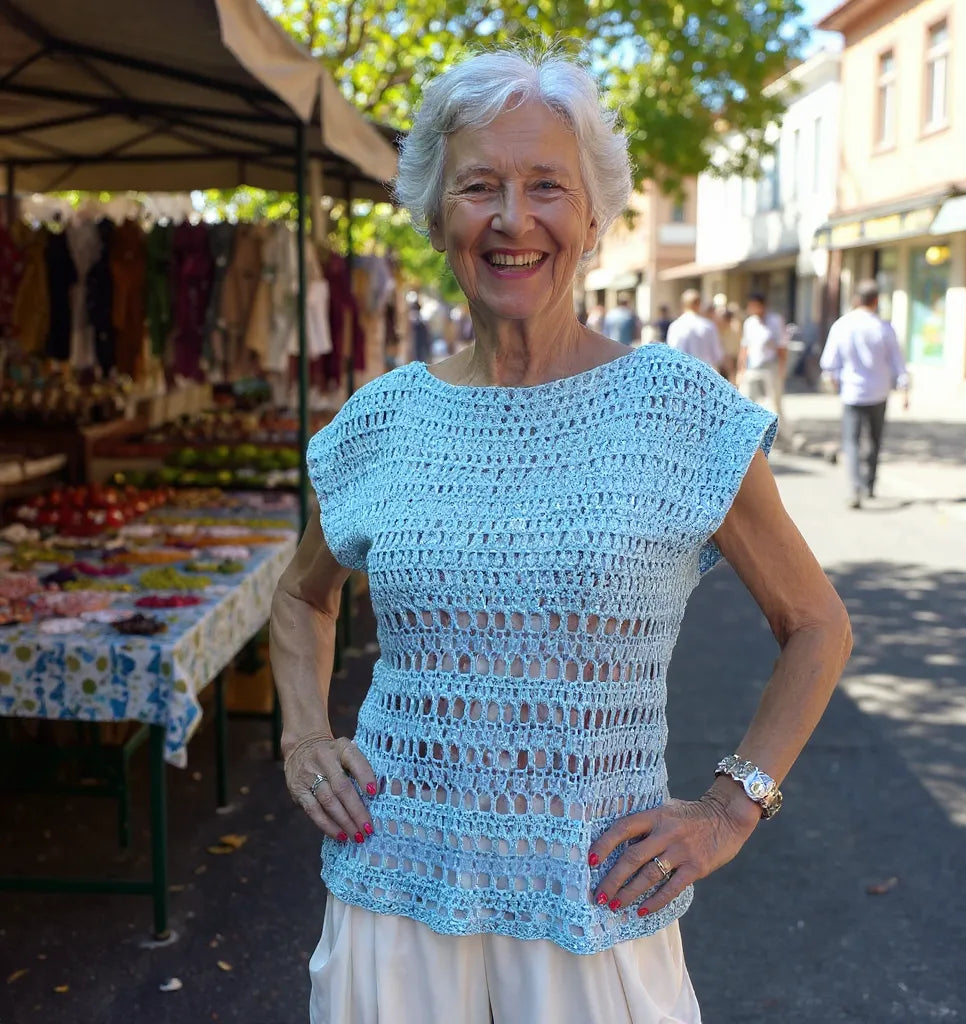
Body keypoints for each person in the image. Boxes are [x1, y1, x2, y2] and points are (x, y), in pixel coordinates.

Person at [271, 48, 852, 1024]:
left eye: (547, 185)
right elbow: (300, 592)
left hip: (594, 897)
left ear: (592, 219)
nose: (512, 218)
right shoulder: (380, 421)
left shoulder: (676, 410)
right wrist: (300, 736)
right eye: (479, 186)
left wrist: (729, 806)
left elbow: (815, 624)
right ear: (434, 215)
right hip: (393, 892)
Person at [819, 279, 910, 508]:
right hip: (879, 392)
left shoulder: (842, 325)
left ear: (856, 299)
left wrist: (835, 382)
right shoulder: (884, 328)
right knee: (875, 440)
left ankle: (856, 487)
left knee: (851, 441)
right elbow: (898, 362)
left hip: (852, 392)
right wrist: (904, 389)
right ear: (877, 300)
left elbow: (829, 363)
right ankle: (869, 484)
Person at [738, 292, 787, 440]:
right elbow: (745, 347)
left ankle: (779, 433)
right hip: (753, 366)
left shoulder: (775, 321)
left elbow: (781, 346)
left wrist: (782, 368)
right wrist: (741, 369)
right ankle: (748, 432)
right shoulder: (750, 323)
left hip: (770, 365)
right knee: (747, 398)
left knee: (774, 401)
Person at [665, 289, 724, 370]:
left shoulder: (676, 326)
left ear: (683, 305)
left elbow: (672, 354)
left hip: (684, 374)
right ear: (699, 304)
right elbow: (717, 355)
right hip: (706, 375)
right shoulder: (708, 326)